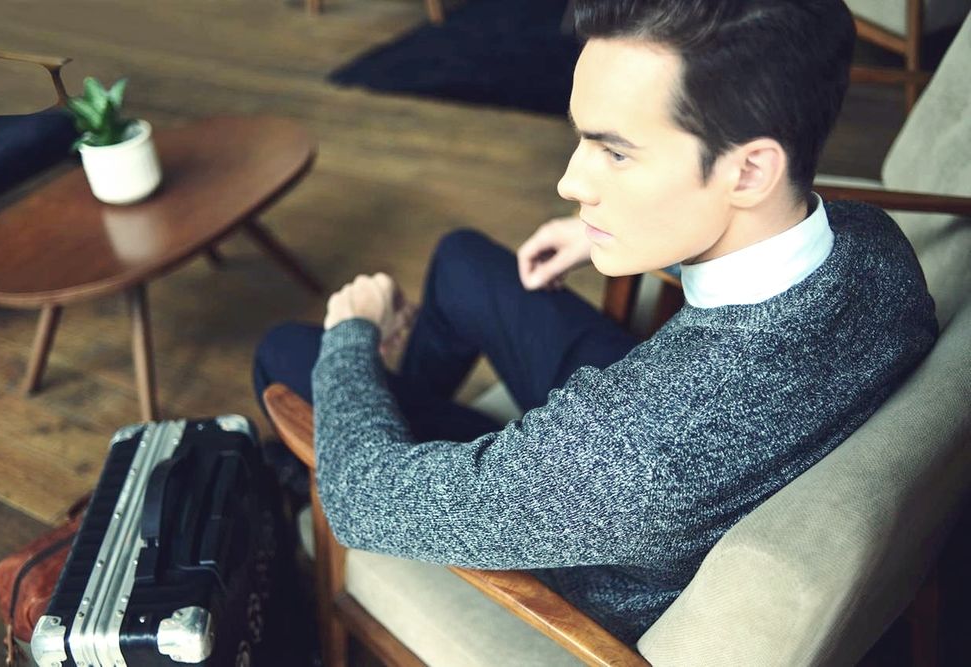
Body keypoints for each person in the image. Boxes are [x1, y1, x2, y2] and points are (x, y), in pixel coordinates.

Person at [253, 0, 938, 642]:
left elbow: (363, 504)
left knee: (289, 351)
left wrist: (353, 336)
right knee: (463, 262)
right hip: (682, 444)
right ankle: (410, 418)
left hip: (589, 532)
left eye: (616, 152)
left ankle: (359, 454)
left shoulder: (626, 451)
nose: (570, 183)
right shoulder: (873, 244)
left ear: (750, 171)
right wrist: (611, 235)